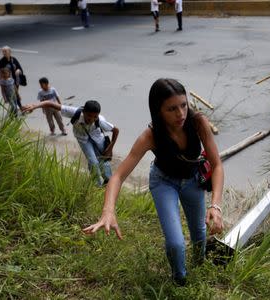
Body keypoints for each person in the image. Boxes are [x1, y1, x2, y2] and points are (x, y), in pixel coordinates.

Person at [82, 79, 224, 286]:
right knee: (176, 243)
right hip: (164, 182)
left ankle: (199, 265)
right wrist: (108, 211)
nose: (181, 114)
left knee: (200, 235)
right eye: (172, 109)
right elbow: (118, 176)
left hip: (193, 180)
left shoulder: (198, 122)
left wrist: (216, 205)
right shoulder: (150, 136)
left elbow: (217, 165)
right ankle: (180, 279)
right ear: (158, 111)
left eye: (183, 105)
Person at [23, 100, 119, 186]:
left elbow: (116, 130)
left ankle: (108, 181)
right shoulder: (75, 112)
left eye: (95, 116)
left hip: (98, 138)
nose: (92, 119)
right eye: (89, 116)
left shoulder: (100, 120)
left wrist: (110, 148)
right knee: (93, 162)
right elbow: (50, 103)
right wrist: (34, 106)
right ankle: (97, 185)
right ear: (83, 112)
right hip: (83, 139)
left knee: (103, 159)